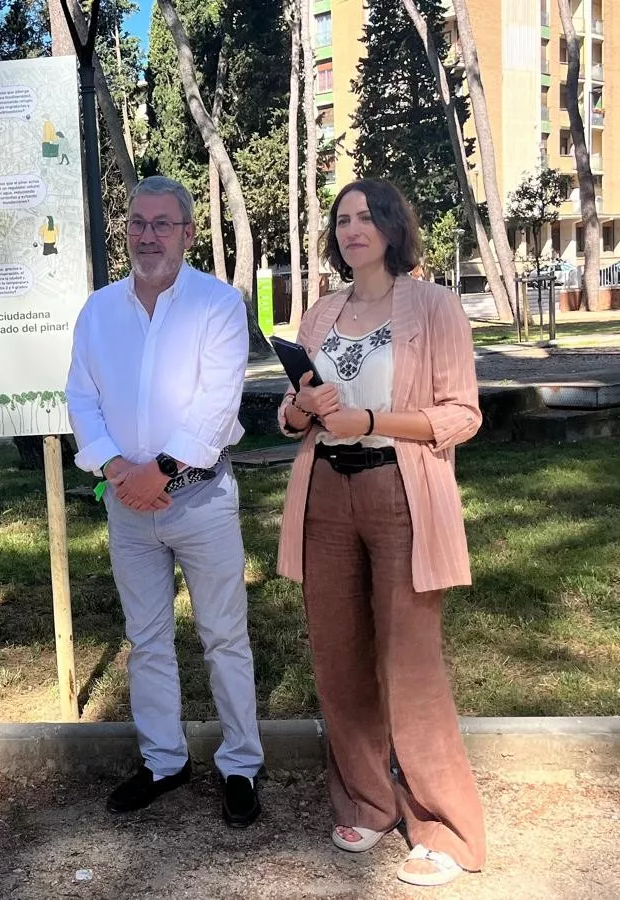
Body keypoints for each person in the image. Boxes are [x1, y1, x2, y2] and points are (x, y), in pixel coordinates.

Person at [276, 178, 485, 887]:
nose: (352, 228)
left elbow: (460, 414)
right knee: (337, 659)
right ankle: (367, 800)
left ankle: (445, 830)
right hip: (324, 493)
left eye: (366, 216)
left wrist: (370, 422)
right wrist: (302, 409)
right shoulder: (320, 312)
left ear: (394, 227)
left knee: (410, 664)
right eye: (341, 219)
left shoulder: (433, 305)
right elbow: (289, 415)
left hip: (400, 491)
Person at [66, 175, 263, 827]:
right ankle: (163, 761)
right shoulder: (98, 311)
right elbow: (82, 398)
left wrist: (162, 470)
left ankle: (239, 764)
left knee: (222, 637)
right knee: (146, 639)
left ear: (187, 233)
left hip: (200, 500)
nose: (146, 235)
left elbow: (216, 402)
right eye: (136, 223)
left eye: (161, 224)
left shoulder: (216, 304)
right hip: (126, 504)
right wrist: (120, 468)